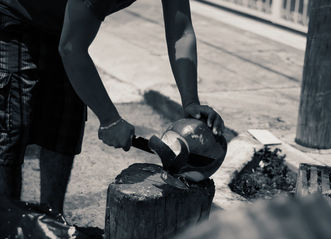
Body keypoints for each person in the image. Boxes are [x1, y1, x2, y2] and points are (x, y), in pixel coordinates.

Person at [0, 0, 224, 214]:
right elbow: (71, 49)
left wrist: (191, 101)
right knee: (14, 129)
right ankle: (7, 227)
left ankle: (52, 218)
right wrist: (110, 119)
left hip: (65, 26)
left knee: (63, 124)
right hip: (16, 15)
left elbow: (181, 31)